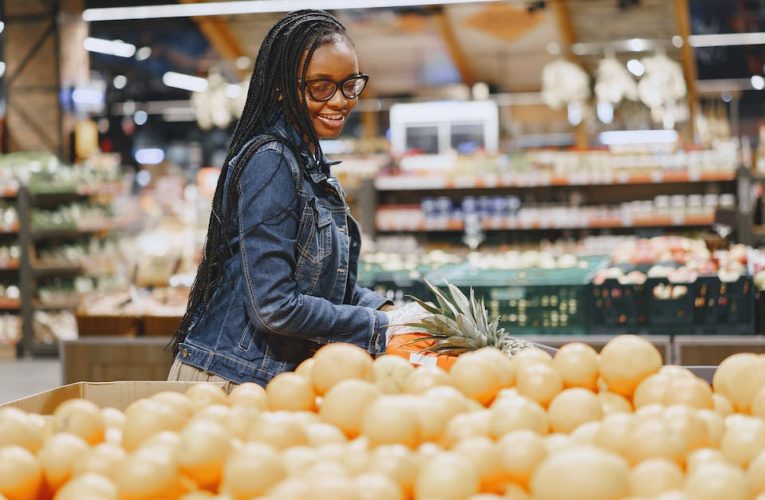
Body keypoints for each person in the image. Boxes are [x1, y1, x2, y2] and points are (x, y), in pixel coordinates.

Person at [168, 9, 423, 387]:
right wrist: (380, 326)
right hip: (225, 381)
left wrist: (393, 311)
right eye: (321, 86)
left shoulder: (309, 163)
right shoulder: (271, 161)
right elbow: (274, 307)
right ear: (282, 87)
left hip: (263, 380)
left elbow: (327, 288)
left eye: (349, 84)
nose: (340, 101)